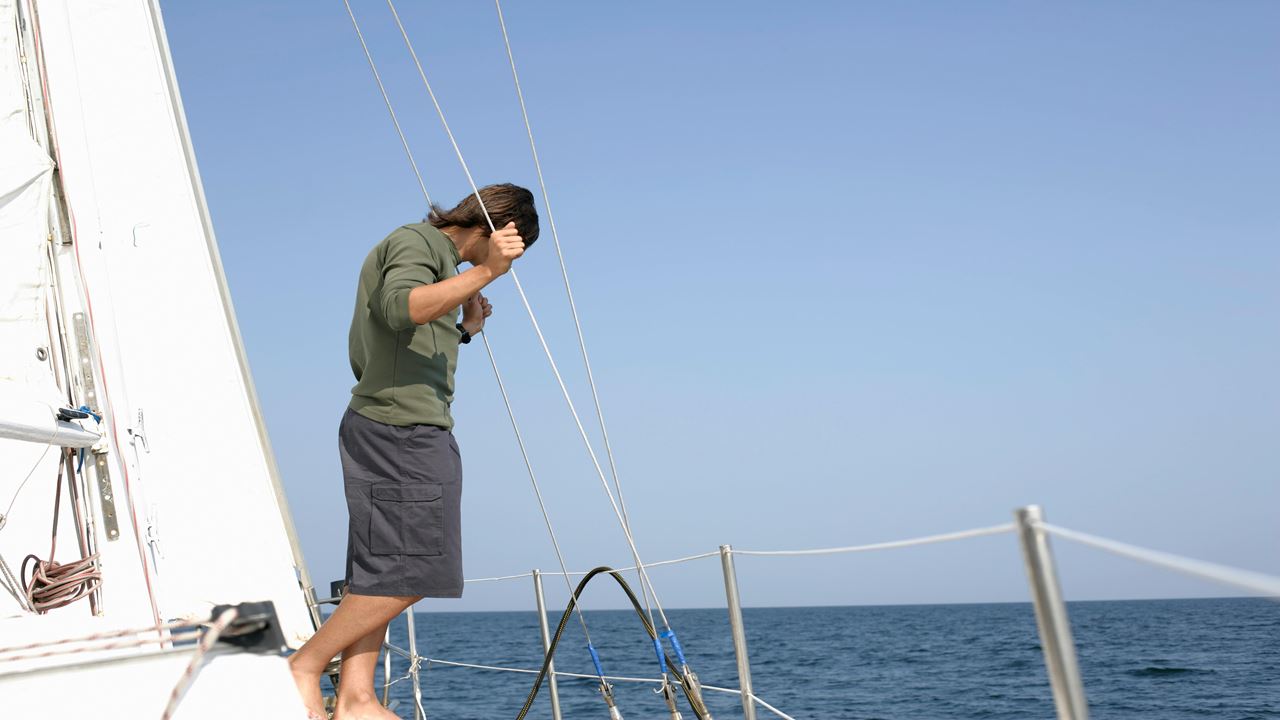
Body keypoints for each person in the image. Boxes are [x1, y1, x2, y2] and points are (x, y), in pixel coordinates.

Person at [289, 183, 538, 720]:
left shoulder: (438, 260)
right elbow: (401, 308)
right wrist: (487, 271)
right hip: (401, 433)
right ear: (495, 228)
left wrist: (466, 328)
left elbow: (408, 343)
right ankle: (305, 666)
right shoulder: (419, 244)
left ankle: (357, 698)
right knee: (419, 569)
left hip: (394, 426)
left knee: (383, 570)